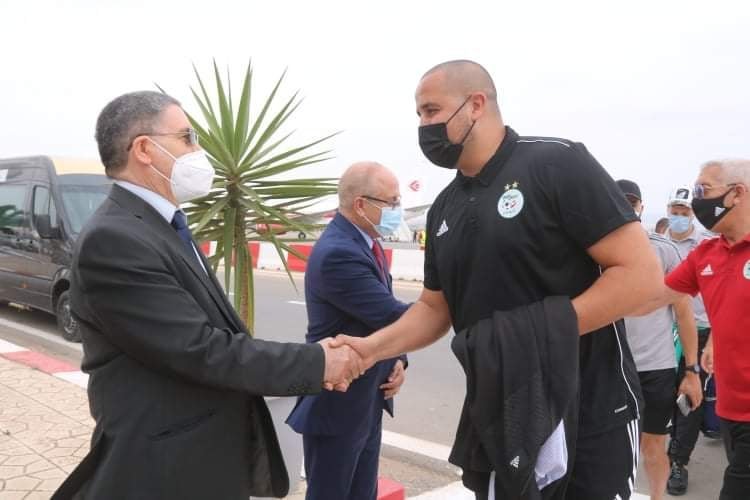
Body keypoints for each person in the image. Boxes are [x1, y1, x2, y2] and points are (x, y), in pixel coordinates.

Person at [332, 60, 663, 500]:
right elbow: (435, 308)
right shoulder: (444, 208)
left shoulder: (556, 163)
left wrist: (537, 336)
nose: (423, 125)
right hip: (503, 411)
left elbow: (641, 276)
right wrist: (369, 349)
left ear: (476, 104)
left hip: (590, 407)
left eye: (431, 110)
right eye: (418, 115)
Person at [51, 91, 362, 500]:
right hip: (165, 470)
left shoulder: (159, 224)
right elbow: (200, 349)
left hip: (199, 459)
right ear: (144, 149)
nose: (199, 151)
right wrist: (320, 361)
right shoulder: (115, 237)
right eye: (187, 137)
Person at [286, 161, 409, 500]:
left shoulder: (367, 241)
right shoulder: (339, 252)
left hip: (365, 398)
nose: (397, 210)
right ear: (361, 205)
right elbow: (392, 313)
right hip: (338, 403)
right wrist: (449, 305)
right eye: (391, 202)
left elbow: (377, 315)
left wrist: (399, 359)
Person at [645, 159, 750, 500]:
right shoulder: (707, 254)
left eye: (704, 190)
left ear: (737, 194)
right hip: (732, 410)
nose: (696, 201)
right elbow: (653, 297)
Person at [617, 179, 703, 500]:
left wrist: (691, 370)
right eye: (619, 200)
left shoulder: (663, 249)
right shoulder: (592, 249)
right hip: (612, 366)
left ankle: (656, 497)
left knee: (654, 443)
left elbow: (684, 312)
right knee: (609, 443)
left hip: (656, 366)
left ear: (640, 206)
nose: (626, 207)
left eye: (631, 202)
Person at [664, 184, 716, 495]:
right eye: (675, 212)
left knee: (690, 399)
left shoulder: (708, 245)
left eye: (685, 212)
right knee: (665, 394)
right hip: (664, 333)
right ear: (668, 212)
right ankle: (666, 443)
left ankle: (678, 463)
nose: (680, 217)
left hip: (700, 331)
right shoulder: (654, 244)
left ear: (693, 214)